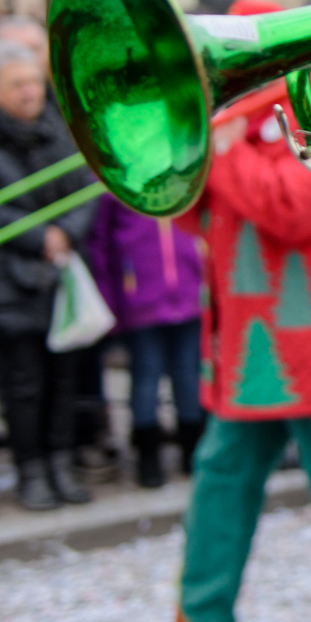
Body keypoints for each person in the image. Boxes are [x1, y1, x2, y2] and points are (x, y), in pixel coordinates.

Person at [125, 0, 311, 622]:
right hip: (243, 352)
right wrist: (174, 160)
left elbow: (292, 209)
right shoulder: (234, 130)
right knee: (218, 487)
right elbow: (195, 222)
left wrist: (222, 151)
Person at [0, 42, 94, 511]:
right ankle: (31, 469)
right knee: (22, 383)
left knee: (64, 376)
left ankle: (61, 463)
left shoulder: (56, 130)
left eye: (34, 82)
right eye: (18, 85)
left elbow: (86, 188)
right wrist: (40, 237)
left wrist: (65, 233)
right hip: (8, 278)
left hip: (58, 270)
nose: (31, 92)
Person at [85, 194, 206, 487]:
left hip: (189, 293)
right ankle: (147, 457)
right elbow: (101, 244)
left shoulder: (184, 172)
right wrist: (110, 300)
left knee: (189, 375)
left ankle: (193, 451)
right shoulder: (117, 183)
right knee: (145, 377)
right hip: (139, 298)